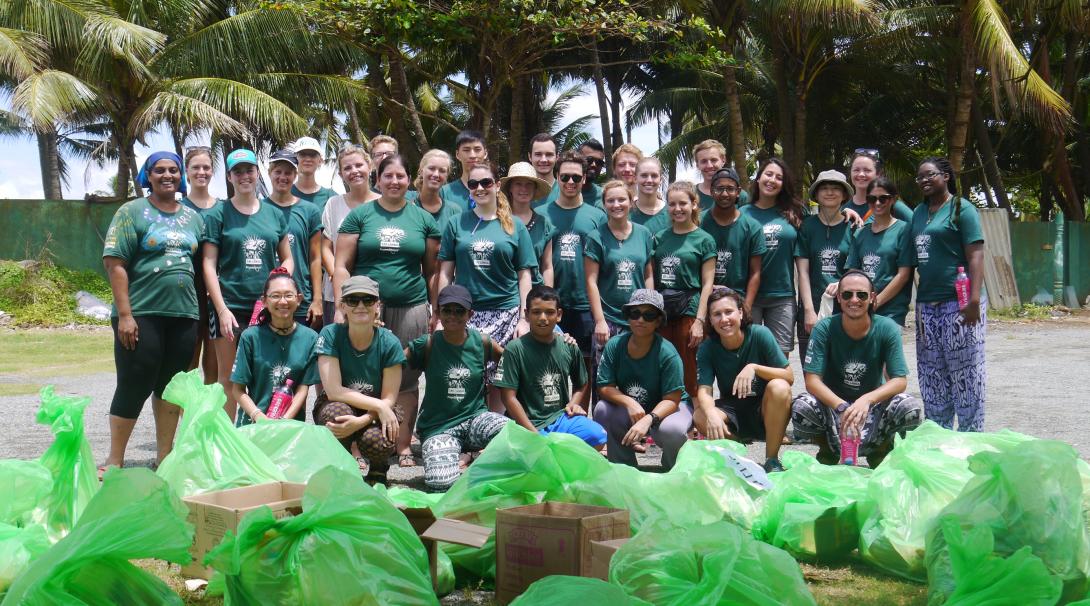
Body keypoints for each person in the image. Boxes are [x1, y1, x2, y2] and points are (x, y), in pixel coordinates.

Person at [101, 151, 204, 472]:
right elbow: (115, 263)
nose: (167, 175)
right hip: (141, 313)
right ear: (148, 175)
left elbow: (200, 270)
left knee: (170, 386)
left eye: (173, 170)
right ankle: (115, 459)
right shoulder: (132, 211)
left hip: (184, 316)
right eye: (159, 170)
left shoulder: (193, 218)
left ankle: (165, 457)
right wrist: (125, 315)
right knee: (134, 382)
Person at [335, 154, 440, 466]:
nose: (395, 181)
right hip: (365, 308)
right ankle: (358, 448)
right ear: (377, 180)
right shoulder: (360, 216)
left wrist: (433, 307)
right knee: (362, 377)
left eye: (401, 176)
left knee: (407, 377)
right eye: (388, 176)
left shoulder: (424, 219)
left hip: (411, 306)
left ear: (410, 180)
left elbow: (432, 271)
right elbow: (342, 265)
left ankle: (402, 444)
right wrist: (344, 307)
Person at [791, 270, 924, 466]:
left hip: (871, 409)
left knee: (909, 407)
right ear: (838, 297)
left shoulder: (887, 328)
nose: (854, 300)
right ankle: (827, 449)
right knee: (802, 406)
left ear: (872, 298)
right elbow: (812, 381)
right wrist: (842, 407)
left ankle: (880, 448)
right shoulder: (824, 329)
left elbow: (899, 380)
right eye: (847, 294)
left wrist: (867, 400)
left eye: (861, 295)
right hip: (835, 409)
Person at [437, 162, 536, 410]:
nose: (480, 188)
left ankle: (492, 438)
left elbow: (525, 275)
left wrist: (525, 318)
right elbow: (445, 273)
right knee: (466, 376)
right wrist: (440, 314)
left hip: (506, 311)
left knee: (499, 382)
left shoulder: (515, 225)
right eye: (473, 184)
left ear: (498, 185)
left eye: (486, 183)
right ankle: (468, 432)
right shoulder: (456, 224)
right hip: (466, 313)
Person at [203, 148, 293, 420]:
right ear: (230, 176)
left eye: (249, 170)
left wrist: (276, 283)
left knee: (266, 373)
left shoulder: (274, 214)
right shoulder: (218, 213)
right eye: (238, 171)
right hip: (229, 306)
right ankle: (226, 440)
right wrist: (221, 310)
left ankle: (261, 435)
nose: (244, 176)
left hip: (266, 309)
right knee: (228, 377)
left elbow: (287, 258)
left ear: (257, 173)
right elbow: (208, 264)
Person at [406, 285, 510, 491]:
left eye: (459, 311)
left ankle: (471, 457)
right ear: (438, 313)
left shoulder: (482, 342)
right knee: (441, 482)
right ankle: (457, 459)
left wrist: (557, 338)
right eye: (447, 310)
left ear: (470, 314)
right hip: (439, 427)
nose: (453, 315)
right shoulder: (427, 344)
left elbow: (513, 360)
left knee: (511, 434)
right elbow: (392, 361)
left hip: (475, 420)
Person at [910, 157, 986, 431]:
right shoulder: (918, 212)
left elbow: (975, 254)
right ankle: (938, 436)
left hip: (961, 302)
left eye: (930, 175)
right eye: (920, 177)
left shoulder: (961, 209)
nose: (924, 181)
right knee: (932, 374)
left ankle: (970, 437)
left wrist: (974, 300)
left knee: (965, 371)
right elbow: (885, 204)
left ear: (946, 176)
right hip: (927, 305)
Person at [314, 275, 405, 483]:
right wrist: (380, 407)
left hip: (374, 411)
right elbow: (334, 391)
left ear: (377, 306)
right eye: (353, 300)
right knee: (334, 413)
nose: (361, 306)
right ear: (342, 306)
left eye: (368, 300)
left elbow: (389, 399)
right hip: (342, 404)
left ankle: (379, 469)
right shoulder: (330, 335)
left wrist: (366, 418)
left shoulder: (390, 342)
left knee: (382, 432)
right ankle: (342, 467)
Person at [693, 288, 793, 472]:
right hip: (733, 408)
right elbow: (704, 390)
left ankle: (772, 459)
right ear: (710, 320)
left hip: (764, 408)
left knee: (780, 387)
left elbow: (789, 376)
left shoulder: (760, 334)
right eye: (717, 314)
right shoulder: (708, 347)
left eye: (729, 312)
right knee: (701, 415)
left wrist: (754, 368)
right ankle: (740, 456)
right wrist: (711, 414)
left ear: (740, 312)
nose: (724, 319)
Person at [496, 285, 607, 449]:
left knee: (598, 436)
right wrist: (533, 434)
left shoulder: (569, 346)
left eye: (549, 312)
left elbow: (582, 383)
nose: (543, 318)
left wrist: (573, 403)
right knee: (532, 452)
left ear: (559, 315)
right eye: (536, 312)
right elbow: (508, 397)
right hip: (527, 423)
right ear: (526, 315)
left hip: (560, 418)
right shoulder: (515, 349)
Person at [593, 289, 691, 470]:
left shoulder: (668, 352)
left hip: (666, 409)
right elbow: (605, 386)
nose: (640, 320)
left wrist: (648, 419)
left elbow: (672, 399)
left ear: (659, 320)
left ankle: (672, 472)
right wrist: (629, 402)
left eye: (649, 315)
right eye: (635, 313)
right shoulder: (615, 345)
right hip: (634, 409)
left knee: (673, 431)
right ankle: (623, 469)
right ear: (628, 316)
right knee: (602, 410)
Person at [542, 152, 607, 371]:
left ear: (584, 179)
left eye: (576, 178)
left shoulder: (598, 216)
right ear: (557, 176)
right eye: (565, 177)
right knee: (550, 363)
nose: (570, 182)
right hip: (551, 301)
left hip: (585, 304)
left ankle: (581, 407)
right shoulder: (541, 214)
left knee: (586, 366)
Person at [229, 268, 319, 427]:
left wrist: (284, 421)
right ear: (264, 301)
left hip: (290, 425)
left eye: (288, 295)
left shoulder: (310, 338)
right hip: (253, 423)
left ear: (299, 299)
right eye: (275, 296)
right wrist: (259, 417)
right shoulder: (250, 337)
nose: (283, 301)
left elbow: (303, 389)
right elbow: (238, 390)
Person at [653, 181, 715, 399]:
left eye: (682, 203)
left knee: (691, 368)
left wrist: (700, 320)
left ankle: (697, 418)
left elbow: (708, 283)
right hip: (663, 310)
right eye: (672, 204)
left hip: (690, 308)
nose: (677, 209)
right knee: (663, 364)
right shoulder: (659, 238)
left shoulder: (704, 239)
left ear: (694, 205)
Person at [741, 157, 806, 356]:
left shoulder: (795, 213)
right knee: (747, 352)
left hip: (782, 296)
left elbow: (824, 222)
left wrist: (848, 211)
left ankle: (777, 389)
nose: (772, 180)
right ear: (758, 178)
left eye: (779, 177)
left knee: (779, 356)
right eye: (768, 174)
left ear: (783, 184)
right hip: (748, 296)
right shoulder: (742, 213)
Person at [585, 179, 654, 362]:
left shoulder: (644, 234)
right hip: (609, 319)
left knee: (638, 375)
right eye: (611, 201)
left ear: (631, 202)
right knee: (604, 377)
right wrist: (599, 321)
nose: (616, 205)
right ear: (604, 204)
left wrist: (649, 311)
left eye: (622, 200)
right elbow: (591, 281)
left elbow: (648, 275)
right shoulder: (596, 237)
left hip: (639, 318)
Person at [796, 169, 854, 358]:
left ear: (844, 194)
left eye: (836, 188)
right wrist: (808, 311)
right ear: (817, 195)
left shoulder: (853, 227)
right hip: (812, 303)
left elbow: (856, 269)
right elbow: (802, 272)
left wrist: (843, 283)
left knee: (843, 363)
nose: (830, 192)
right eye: (825, 188)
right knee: (812, 364)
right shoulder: (807, 226)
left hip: (846, 306)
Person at [319, 145, 380, 323]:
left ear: (370, 167)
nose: (354, 171)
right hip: (337, 293)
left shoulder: (383, 204)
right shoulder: (333, 204)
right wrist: (335, 274)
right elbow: (325, 247)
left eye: (359, 165)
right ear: (341, 175)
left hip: (373, 292)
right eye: (347, 168)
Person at [264, 149, 323, 327]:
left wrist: (317, 299)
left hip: (300, 297)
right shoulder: (257, 209)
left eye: (288, 172)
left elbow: (315, 258)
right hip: (267, 299)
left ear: (295, 174)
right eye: (278, 172)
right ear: (269, 173)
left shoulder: (309, 211)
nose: (283, 177)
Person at [846, 176, 914, 326]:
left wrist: (876, 302)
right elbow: (853, 272)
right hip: (862, 310)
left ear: (893, 199)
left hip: (892, 313)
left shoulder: (903, 230)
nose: (877, 203)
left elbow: (903, 275)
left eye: (883, 198)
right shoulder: (860, 233)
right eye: (872, 199)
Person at [181, 146, 221, 382]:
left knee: (215, 351)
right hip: (189, 288)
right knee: (191, 350)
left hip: (217, 288)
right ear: (187, 171)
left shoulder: (223, 207)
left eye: (206, 167)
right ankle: (188, 412)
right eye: (196, 167)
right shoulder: (179, 208)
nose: (201, 172)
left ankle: (210, 408)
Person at [700, 167, 765, 312]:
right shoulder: (698, 222)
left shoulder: (752, 227)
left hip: (738, 301)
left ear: (738, 192)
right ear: (711, 191)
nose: (724, 194)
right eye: (719, 189)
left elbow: (755, 272)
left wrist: (746, 307)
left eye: (730, 189)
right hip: (701, 301)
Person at [500, 161, 555, 286]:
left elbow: (547, 266)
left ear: (535, 188)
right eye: (518, 184)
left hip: (535, 295)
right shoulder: (497, 220)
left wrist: (547, 296)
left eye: (529, 184)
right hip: (505, 294)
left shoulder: (544, 223)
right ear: (510, 188)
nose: (523, 189)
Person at [846, 149, 912, 222]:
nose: (861, 174)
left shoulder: (890, 204)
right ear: (850, 173)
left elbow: (918, 226)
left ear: (878, 174)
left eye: (867, 170)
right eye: (856, 170)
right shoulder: (842, 207)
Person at [692, 139, 749, 211]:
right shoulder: (690, 195)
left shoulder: (740, 196)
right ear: (697, 165)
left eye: (713, 160)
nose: (709, 166)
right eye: (704, 161)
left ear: (723, 160)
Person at [439, 130, 488, 211]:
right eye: (466, 150)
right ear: (457, 154)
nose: (472, 155)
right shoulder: (444, 193)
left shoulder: (495, 192)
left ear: (485, 154)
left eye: (477, 149)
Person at [414, 149, 462, 227]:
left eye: (442, 171)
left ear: (447, 175)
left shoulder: (454, 212)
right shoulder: (409, 209)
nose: (436, 174)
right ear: (421, 171)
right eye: (431, 168)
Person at [291, 137, 337, 212]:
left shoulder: (330, 197)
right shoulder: (283, 194)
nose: (308, 159)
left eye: (313, 155)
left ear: (320, 160)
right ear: (295, 159)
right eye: (303, 154)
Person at [630, 156, 670, 235]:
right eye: (644, 175)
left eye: (654, 176)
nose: (649, 180)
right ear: (635, 178)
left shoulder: (672, 213)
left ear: (660, 180)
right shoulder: (626, 213)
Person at [528, 133, 560, 208]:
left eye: (549, 154)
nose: (543, 160)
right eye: (538, 154)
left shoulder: (565, 192)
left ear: (557, 157)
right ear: (530, 156)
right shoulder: (521, 193)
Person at [577, 139, 606, 208]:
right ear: (577, 160)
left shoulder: (606, 197)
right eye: (589, 160)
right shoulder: (557, 192)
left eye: (599, 162)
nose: (594, 165)